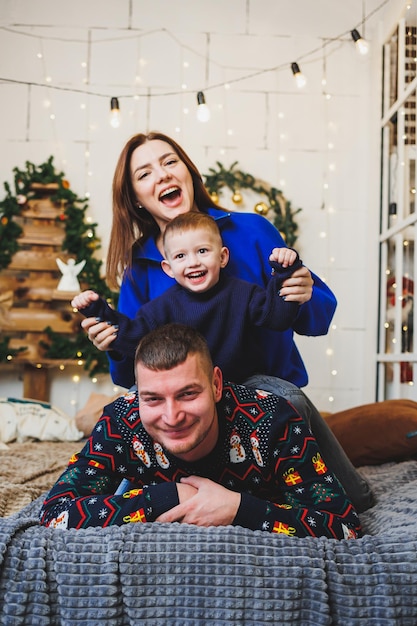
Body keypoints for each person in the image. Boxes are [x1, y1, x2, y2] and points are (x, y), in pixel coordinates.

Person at [79, 131, 373, 513]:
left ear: (188, 171)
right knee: (125, 421)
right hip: (184, 392)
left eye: (170, 162)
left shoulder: (251, 230)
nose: (163, 175)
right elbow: (131, 368)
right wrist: (110, 339)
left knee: (286, 400)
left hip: (255, 385)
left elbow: (316, 312)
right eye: (145, 173)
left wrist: (300, 293)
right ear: (136, 196)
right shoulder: (139, 265)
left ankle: (340, 495)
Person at [39, 323, 362, 540]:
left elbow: (344, 525)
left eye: (187, 394)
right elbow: (55, 512)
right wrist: (167, 496)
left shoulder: (273, 421)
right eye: (152, 399)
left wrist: (237, 508)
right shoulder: (120, 421)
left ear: (216, 385)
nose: (172, 416)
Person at [71, 212, 304, 383]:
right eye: (181, 256)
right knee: (127, 409)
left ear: (222, 257)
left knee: (286, 400)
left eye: (202, 251)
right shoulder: (163, 308)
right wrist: (98, 311)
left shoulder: (244, 293)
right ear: (168, 268)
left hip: (243, 385)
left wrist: (284, 272)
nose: (193, 262)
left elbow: (277, 318)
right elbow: (132, 337)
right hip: (185, 389)